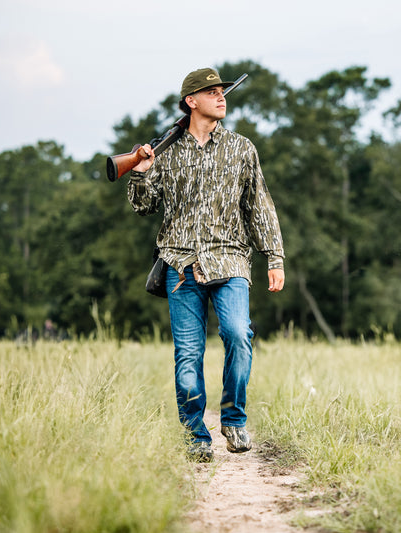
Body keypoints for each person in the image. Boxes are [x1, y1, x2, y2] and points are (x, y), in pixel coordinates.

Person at [126, 67, 285, 462]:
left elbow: (259, 204)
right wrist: (141, 173)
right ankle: (196, 437)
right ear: (191, 101)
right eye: (212, 92)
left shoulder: (241, 148)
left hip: (230, 259)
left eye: (222, 91)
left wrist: (274, 256)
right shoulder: (165, 151)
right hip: (179, 263)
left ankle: (233, 419)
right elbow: (143, 207)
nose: (221, 97)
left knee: (238, 334)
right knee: (188, 354)